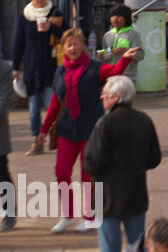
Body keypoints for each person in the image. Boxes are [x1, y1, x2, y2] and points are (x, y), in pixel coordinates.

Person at [38, 30, 140, 231]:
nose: (72, 48)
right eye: (69, 45)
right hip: (67, 129)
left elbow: (114, 71)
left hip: (91, 129)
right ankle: (67, 215)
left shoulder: (95, 67)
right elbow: (55, 103)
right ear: (63, 48)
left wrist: (125, 60)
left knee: (89, 174)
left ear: (83, 46)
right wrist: (43, 129)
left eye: (76, 44)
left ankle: (90, 216)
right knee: (61, 172)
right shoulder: (60, 72)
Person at [82, 75, 161, 252]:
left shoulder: (104, 124)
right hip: (136, 193)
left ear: (116, 97)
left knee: (109, 251)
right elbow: (154, 158)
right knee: (137, 249)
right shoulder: (144, 121)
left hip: (106, 196)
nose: (101, 96)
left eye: (105, 93)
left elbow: (91, 162)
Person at [13, 0, 64, 149]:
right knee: (34, 108)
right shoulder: (24, 16)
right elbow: (18, 42)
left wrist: (52, 27)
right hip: (32, 68)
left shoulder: (54, 12)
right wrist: (15, 67)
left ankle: (53, 136)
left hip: (51, 67)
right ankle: (36, 139)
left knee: (52, 106)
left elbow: (67, 34)